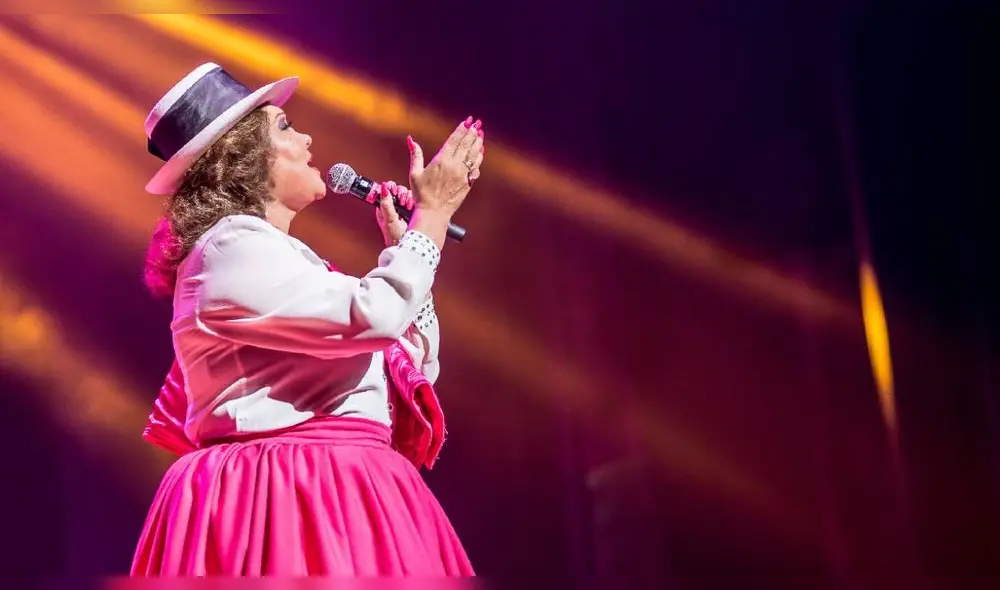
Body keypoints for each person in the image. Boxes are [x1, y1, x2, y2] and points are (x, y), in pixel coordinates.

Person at [131, 62, 483, 576]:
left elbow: (405, 366)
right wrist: (430, 220)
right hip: (287, 492)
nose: (307, 137)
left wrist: (405, 245)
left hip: (345, 484)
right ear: (241, 159)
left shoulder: (278, 256)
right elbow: (376, 314)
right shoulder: (230, 247)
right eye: (285, 127)